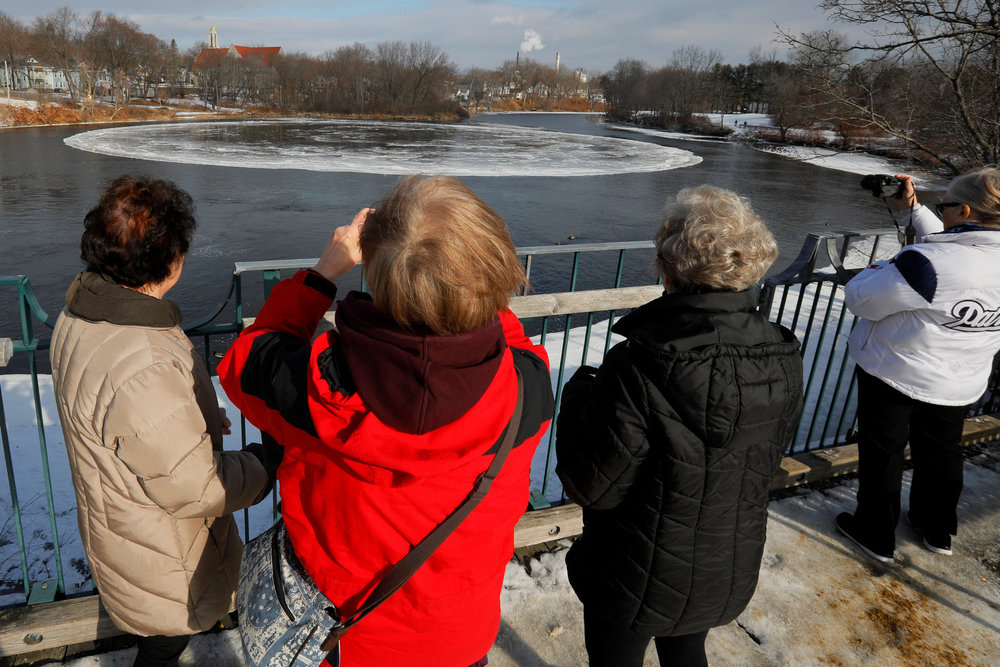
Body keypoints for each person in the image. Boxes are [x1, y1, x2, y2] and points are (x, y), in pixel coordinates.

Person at [218, 175, 554, 666]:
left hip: (351, 644)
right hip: (459, 640)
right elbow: (509, 334)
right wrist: (463, 278)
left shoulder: (317, 395)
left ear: (379, 275)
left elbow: (244, 360)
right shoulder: (528, 390)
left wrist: (326, 269)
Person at [555, 185, 804, 667]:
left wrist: (580, 397)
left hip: (633, 572)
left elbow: (593, 485)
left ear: (669, 269)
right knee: (688, 649)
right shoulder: (781, 352)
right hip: (724, 564)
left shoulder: (643, 362)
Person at [49, 176, 274, 667]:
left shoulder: (85, 313)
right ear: (170, 261)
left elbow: (118, 410)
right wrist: (265, 463)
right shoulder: (142, 358)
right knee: (163, 645)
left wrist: (191, 408)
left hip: (126, 532)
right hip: (163, 559)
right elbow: (196, 488)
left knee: (160, 645)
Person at [837, 168, 1000, 564]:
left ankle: (875, 533)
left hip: (897, 371)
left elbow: (861, 300)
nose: (940, 212)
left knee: (884, 452)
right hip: (964, 375)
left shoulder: (925, 260)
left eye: (944, 206)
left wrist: (883, 266)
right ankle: (936, 528)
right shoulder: (950, 256)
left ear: (963, 211)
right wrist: (912, 208)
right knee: (942, 451)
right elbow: (959, 253)